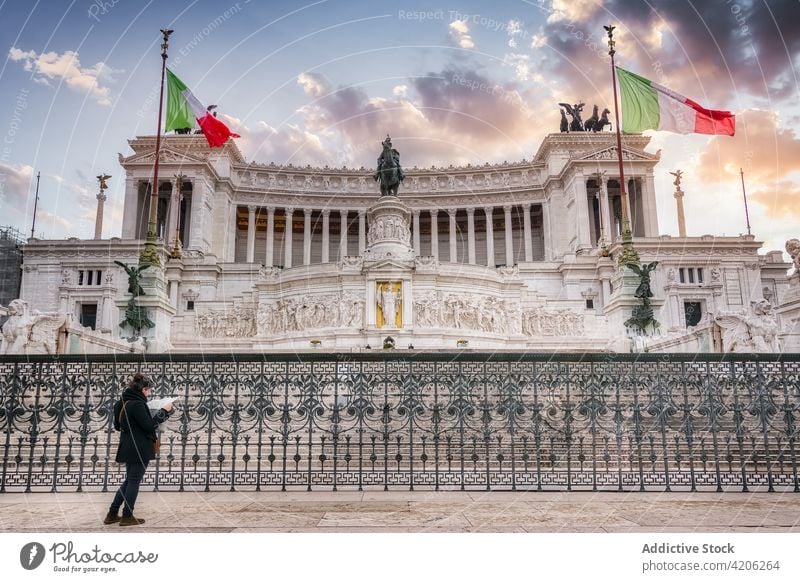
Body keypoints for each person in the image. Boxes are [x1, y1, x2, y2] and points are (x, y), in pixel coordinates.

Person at [103, 373, 173, 526]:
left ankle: (112, 514)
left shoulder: (120, 403)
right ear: (143, 390)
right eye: (148, 390)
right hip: (139, 447)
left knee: (130, 480)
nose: (149, 393)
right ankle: (127, 516)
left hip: (127, 446)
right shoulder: (137, 404)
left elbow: (117, 426)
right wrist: (165, 411)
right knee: (133, 481)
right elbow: (149, 425)